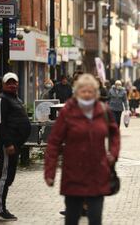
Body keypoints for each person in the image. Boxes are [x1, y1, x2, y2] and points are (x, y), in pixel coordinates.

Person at [44, 74, 120, 225]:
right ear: (77, 92)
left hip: (97, 173)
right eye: (83, 91)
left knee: (95, 219)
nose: (86, 94)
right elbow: (54, 142)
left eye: (90, 91)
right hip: (73, 174)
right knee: (72, 219)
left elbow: (114, 134)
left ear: (96, 93)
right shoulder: (67, 112)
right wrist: (50, 171)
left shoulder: (103, 111)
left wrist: (113, 154)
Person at [0, 72, 31, 221]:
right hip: (7, 146)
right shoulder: (1, 100)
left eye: (14, 82)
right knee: (4, 177)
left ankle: (2, 207)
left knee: (9, 177)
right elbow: (0, 124)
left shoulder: (16, 98)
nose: (12, 85)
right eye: (9, 82)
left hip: (16, 145)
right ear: (3, 85)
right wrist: (8, 143)